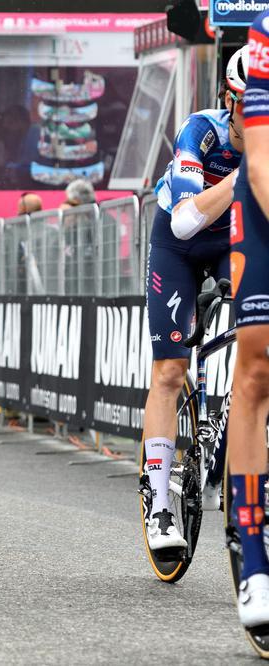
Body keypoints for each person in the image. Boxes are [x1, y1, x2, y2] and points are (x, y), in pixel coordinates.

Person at [141, 45, 248, 553]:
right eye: (253, 106)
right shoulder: (201, 132)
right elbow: (185, 222)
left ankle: (234, 455)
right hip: (178, 243)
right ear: (230, 101)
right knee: (169, 371)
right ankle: (159, 502)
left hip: (233, 241)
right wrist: (243, 177)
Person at [227, 18, 269, 627]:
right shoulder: (265, 38)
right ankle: (254, 561)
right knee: (257, 369)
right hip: (264, 204)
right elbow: (258, 164)